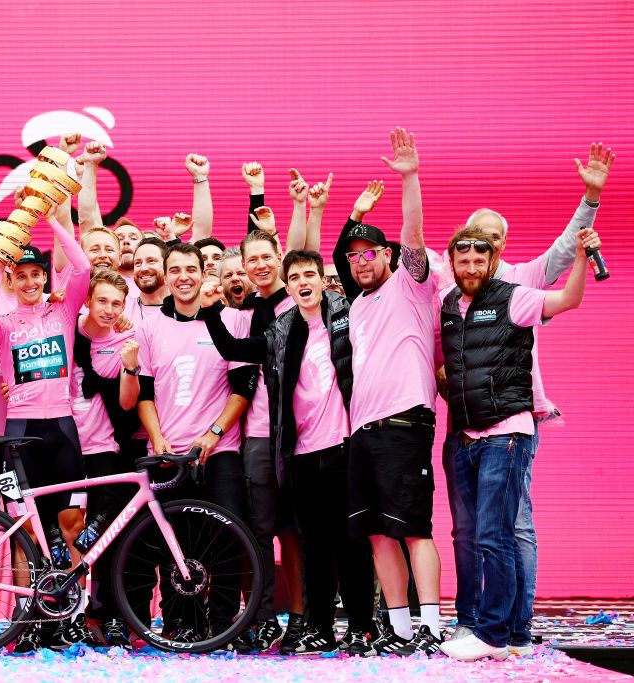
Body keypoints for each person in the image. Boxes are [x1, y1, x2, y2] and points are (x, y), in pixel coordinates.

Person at [440, 143, 613, 653]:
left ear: (503, 246)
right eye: (472, 241)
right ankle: (474, 622)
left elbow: (565, 254)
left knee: (511, 526)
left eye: (491, 241)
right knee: (470, 531)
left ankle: (512, 626)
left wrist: (592, 196)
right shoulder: (452, 289)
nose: (480, 250)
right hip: (464, 421)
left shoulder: (520, 283)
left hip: (512, 418)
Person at [203, 248, 376, 656]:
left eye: (309, 275)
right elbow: (232, 348)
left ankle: (361, 627)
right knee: (313, 543)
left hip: (344, 444)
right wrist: (211, 310)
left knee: (350, 541)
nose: (303, 282)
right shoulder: (282, 330)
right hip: (301, 452)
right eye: (295, 276)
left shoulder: (347, 316)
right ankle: (319, 627)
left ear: (321, 279)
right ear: (290, 283)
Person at [333, 129, 444, 656]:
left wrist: (409, 177)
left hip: (405, 425)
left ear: (387, 254)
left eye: (369, 252)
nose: (359, 260)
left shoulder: (411, 282)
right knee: (377, 534)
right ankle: (399, 630)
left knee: (415, 529)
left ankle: (431, 627)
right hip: (362, 432)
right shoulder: (355, 304)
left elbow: (414, 231)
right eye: (352, 255)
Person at [0, 210, 92, 651]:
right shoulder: (4, 324)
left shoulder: (64, 310)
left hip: (62, 428)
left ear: (44, 277)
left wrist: (51, 222)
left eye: (35, 274)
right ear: (12, 280)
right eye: (19, 276)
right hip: (20, 432)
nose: (28, 282)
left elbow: (82, 267)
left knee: (70, 525)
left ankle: (67, 616)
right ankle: (25, 619)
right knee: (26, 533)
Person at [135, 242, 255, 642]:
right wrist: (158, 440)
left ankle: (224, 625)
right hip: (169, 454)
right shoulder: (150, 325)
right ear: (166, 277)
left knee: (227, 539)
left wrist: (213, 434)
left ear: (204, 274)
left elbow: (242, 390)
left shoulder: (232, 321)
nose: (184, 277)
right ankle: (180, 622)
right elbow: (145, 394)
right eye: (176, 270)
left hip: (219, 452)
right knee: (174, 543)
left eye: (192, 269)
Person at [69, 270, 140, 648]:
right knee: (59, 528)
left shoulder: (127, 338)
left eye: (117, 303)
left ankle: (108, 616)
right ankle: (64, 612)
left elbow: (128, 402)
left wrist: (130, 366)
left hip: (103, 449)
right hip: (63, 445)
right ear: (88, 300)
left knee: (107, 535)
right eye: (103, 301)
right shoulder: (68, 326)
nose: (109, 309)